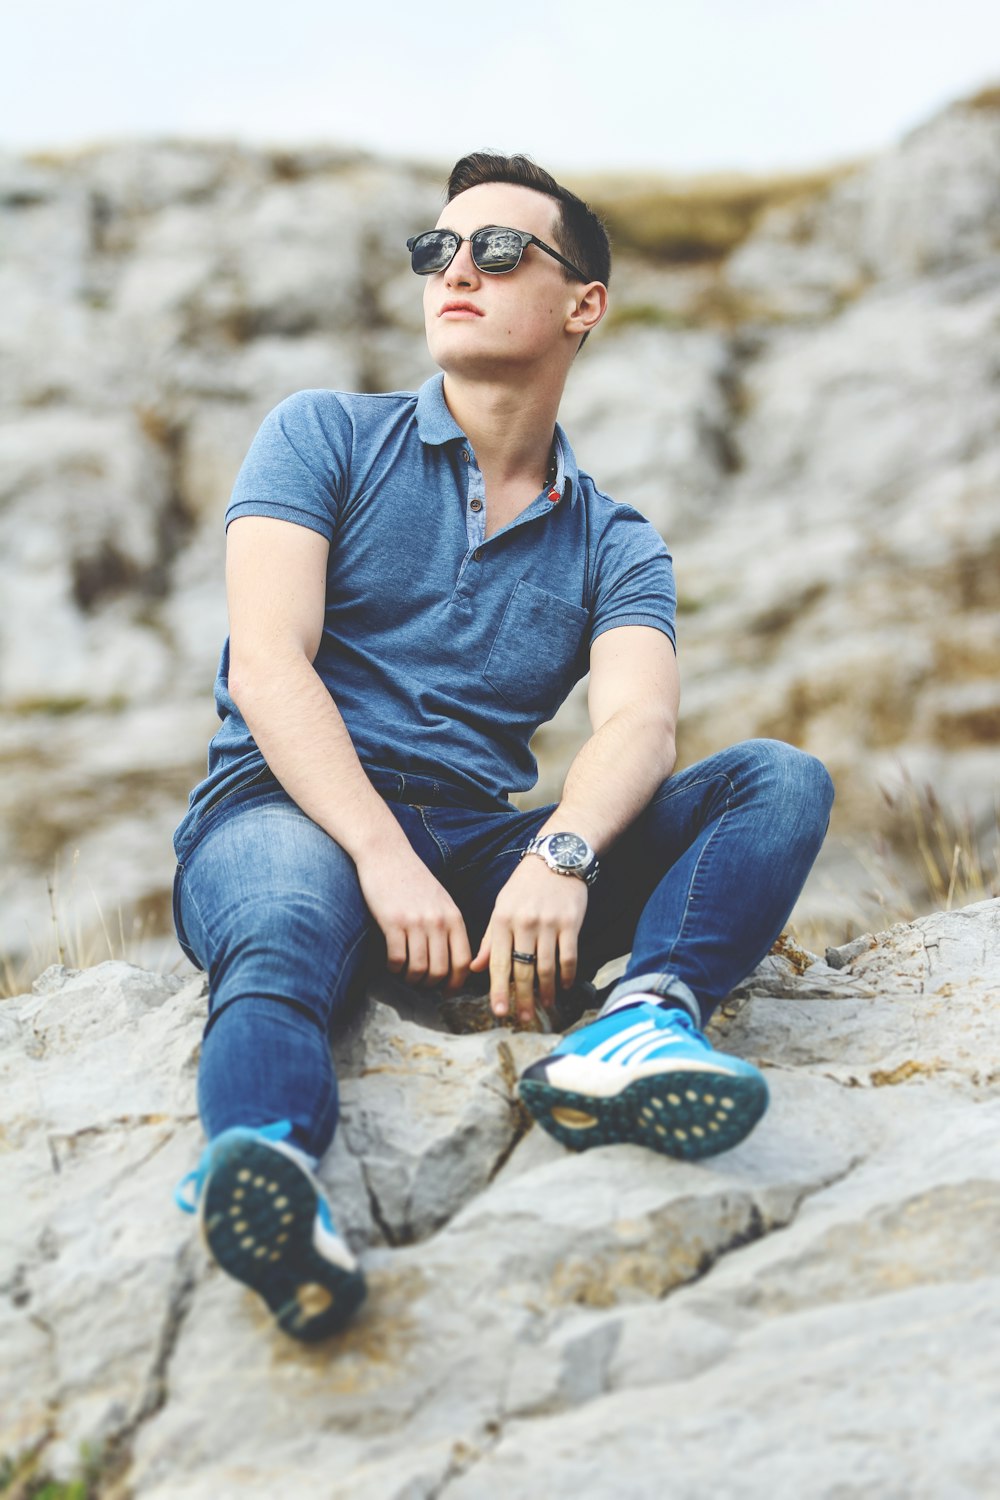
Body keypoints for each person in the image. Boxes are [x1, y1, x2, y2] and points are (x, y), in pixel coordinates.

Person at [172, 151, 834, 1342]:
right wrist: (379, 856)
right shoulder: (320, 433)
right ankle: (273, 1182)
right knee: (275, 936)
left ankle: (639, 1027)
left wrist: (563, 856)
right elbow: (268, 664)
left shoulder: (616, 541)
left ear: (583, 302)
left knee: (775, 782)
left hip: (484, 850)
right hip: (289, 811)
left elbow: (639, 723)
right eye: (437, 250)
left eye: (495, 250)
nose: (453, 272)